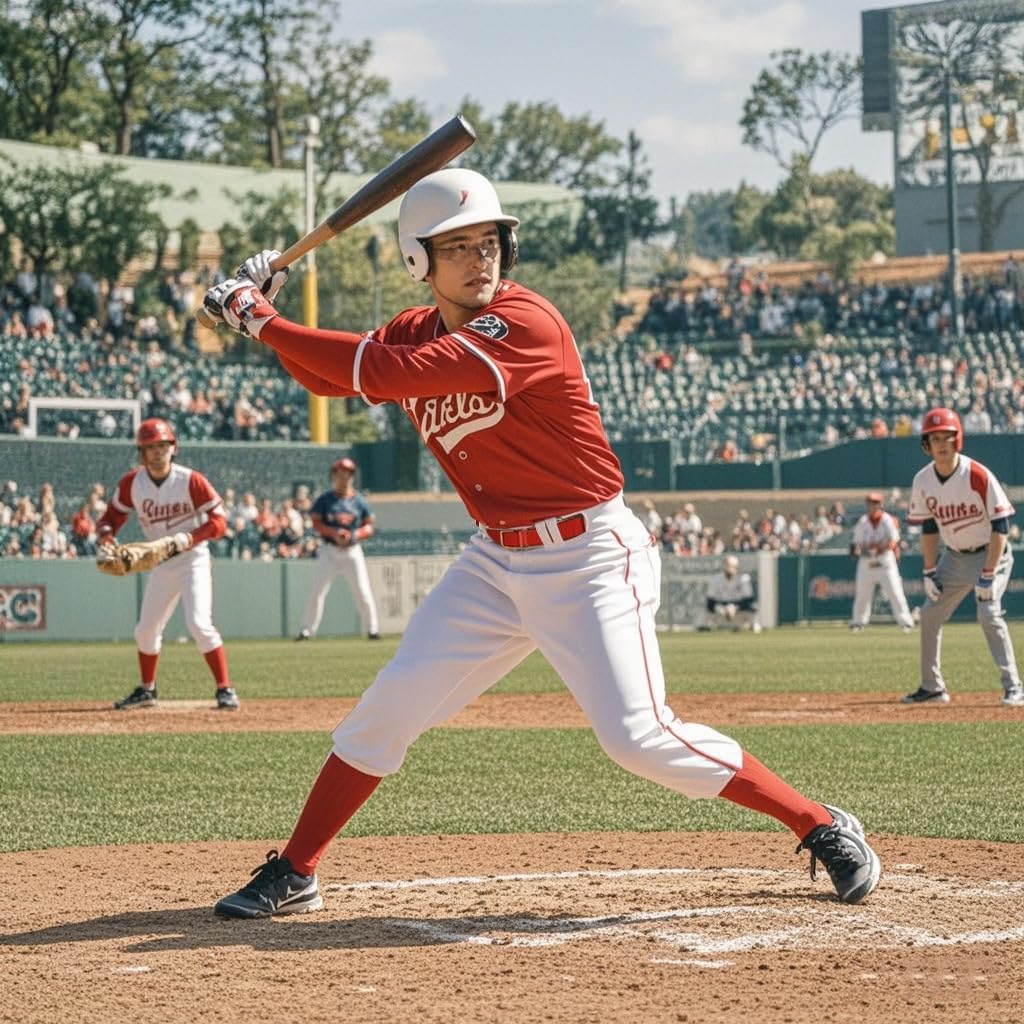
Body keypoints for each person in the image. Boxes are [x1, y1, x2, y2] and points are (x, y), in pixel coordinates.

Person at [202, 166, 880, 918]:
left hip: (589, 553)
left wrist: (256, 316)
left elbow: (381, 373)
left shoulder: (525, 322)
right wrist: (258, 314)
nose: (480, 257)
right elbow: (335, 380)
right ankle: (296, 870)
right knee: (390, 705)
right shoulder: (413, 330)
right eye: (456, 246)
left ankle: (818, 823)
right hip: (495, 560)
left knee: (638, 738)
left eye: (489, 240)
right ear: (417, 260)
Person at [96, 418, 240, 711]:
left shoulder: (190, 480)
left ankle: (225, 689)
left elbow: (219, 522)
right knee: (145, 630)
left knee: (199, 623)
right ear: (142, 452)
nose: (158, 452)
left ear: (173, 448)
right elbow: (109, 519)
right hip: (160, 562)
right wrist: (107, 539)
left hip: (192, 559)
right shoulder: (132, 484)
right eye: (151, 447)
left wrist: (188, 538)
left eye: (163, 445)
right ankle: (147, 690)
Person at [901, 407, 1023, 707]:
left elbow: (1001, 526)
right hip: (954, 559)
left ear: (959, 440)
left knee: (988, 613)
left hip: (991, 554)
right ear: (925, 445)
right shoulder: (923, 480)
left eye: (948, 437)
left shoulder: (977, 475)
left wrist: (988, 573)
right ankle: (932, 687)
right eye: (935, 438)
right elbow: (929, 527)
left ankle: (1014, 687)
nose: (942, 444)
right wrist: (929, 570)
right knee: (929, 615)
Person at [295, 457, 380, 641]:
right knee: (317, 591)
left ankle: (372, 629)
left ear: (352, 476)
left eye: (347, 473)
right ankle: (307, 631)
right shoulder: (325, 499)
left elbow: (369, 526)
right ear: (334, 476)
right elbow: (316, 523)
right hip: (330, 550)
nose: (343, 477)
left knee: (363, 591)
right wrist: (334, 532)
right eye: (340, 473)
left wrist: (354, 535)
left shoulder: (359, 501)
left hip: (352, 550)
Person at [848, 492, 914, 634]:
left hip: (884, 561)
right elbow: (855, 543)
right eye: (870, 502)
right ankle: (858, 622)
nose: (872, 505)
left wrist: (878, 550)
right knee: (862, 595)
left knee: (895, 592)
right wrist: (858, 551)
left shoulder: (887, 520)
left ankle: (906, 622)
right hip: (866, 562)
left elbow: (893, 540)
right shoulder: (863, 521)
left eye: (875, 502)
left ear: (881, 504)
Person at [698, 555, 761, 633]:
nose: (730, 568)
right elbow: (710, 602)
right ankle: (706, 627)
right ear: (724, 566)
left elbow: (748, 600)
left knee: (754, 608)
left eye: (733, 566)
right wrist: (723, 610)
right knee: (704, 611)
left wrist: (734, 608)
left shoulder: (743, 578)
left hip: (739, 609)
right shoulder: (716, 579)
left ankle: (752, 626)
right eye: (728, 565)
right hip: (721, 608)